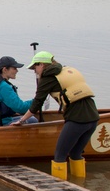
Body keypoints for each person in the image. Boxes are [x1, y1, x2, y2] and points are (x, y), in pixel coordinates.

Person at [14, 51, 98, 180]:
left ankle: (61, 190)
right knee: (75, 153)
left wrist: (22, 120)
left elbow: (37, 103)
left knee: (59, 155)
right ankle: (80, 183)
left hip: (77, 120)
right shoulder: (65, 70)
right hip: (93, 118)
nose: (34, 71)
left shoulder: (48, 77)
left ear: (42, 64)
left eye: (34, 67)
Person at [0, 56, 38, 127]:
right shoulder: (4, 87)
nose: (17, 71)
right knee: (33, 120)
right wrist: (36, 102)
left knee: (28, 118)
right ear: (5, 69)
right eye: (14, 68)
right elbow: (20, 107)